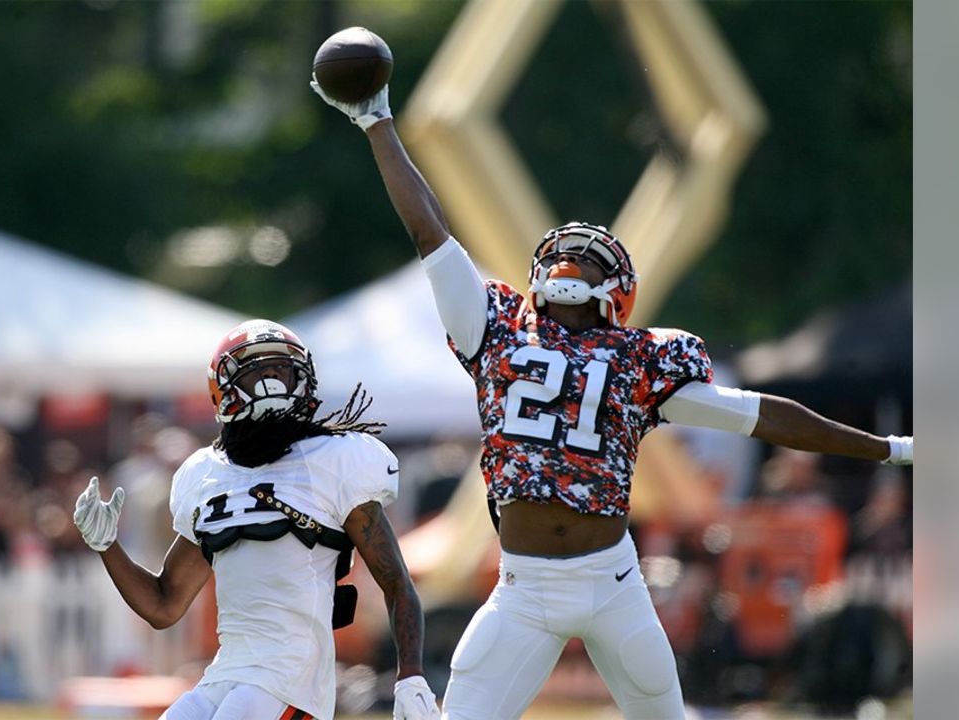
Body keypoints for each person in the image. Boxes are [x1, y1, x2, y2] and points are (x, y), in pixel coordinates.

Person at [311, 77, 913, 719]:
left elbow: (759, 415)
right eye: (569, 257)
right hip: (528, 586)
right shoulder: (509, 331)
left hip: (610, 581)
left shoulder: (616, 354)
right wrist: (378, 124)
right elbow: (430, 233)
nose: (574, 266)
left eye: (587, 261)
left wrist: (888, 447)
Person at [74, 319, 440, 720]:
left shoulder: (334, 461)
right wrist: (107, 546)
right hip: (227, 671)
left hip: (292, 675)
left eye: (280, 370)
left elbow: (396, 582)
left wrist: (412, 676)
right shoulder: (207, 475)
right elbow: (164, 605)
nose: (272, 382)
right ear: (224, 388)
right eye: (258, 372)